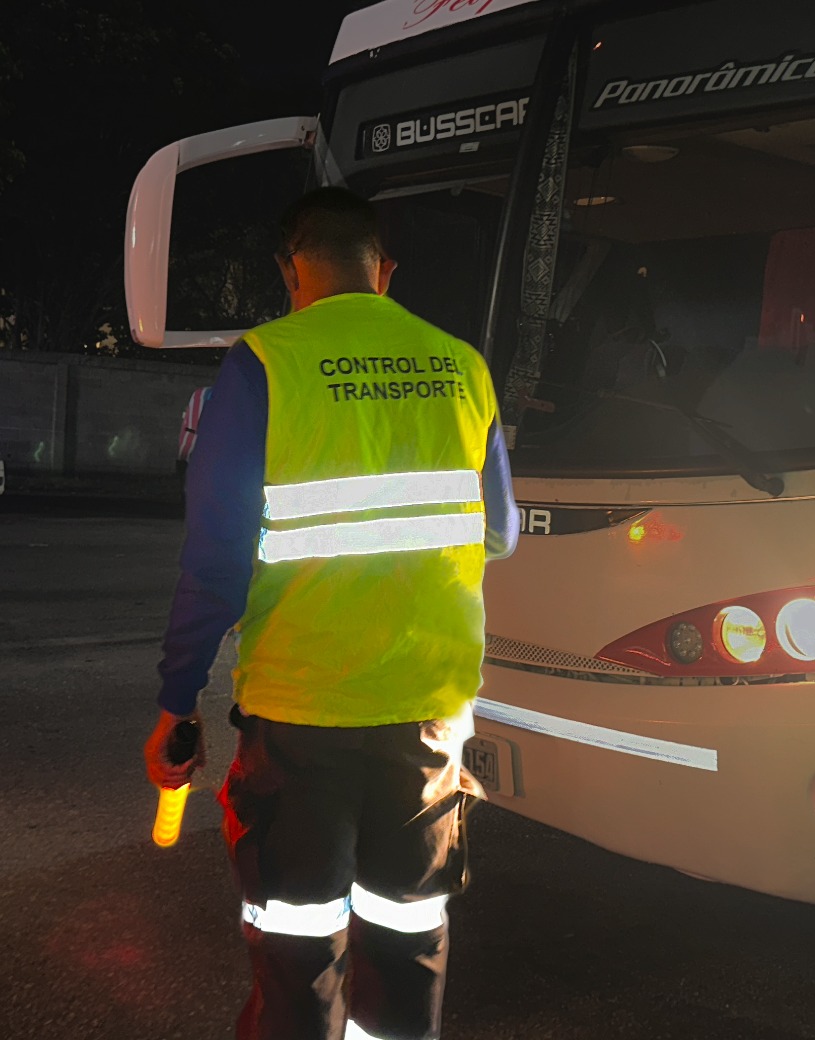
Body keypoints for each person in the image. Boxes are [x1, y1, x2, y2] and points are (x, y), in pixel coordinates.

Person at [143, 186, 520, 1040]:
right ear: (384, 270)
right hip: (428, 714)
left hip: (300, 714)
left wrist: (176, 703)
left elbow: (215, 562)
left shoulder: (264, 362)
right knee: (409, 933)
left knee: (298, 944)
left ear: (290, 271)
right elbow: (498, 532)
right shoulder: (461, 363)